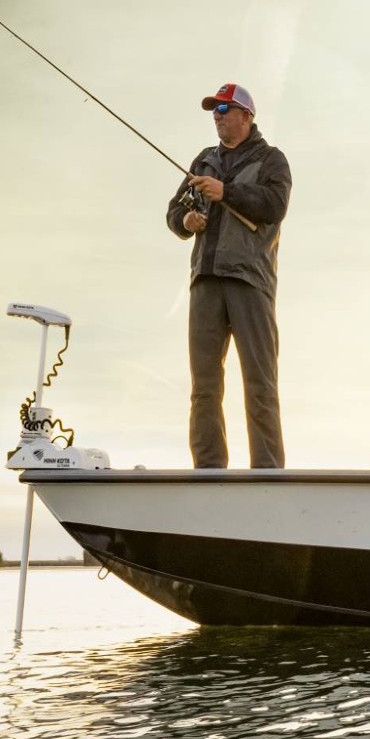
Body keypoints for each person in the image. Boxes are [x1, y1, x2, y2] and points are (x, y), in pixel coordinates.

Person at [165, 83, 293, 468]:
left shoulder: (271, 159)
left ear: (246, 116)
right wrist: (186, 220)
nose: (217, 117)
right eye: (214, 110)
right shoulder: (203, 161)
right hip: (205, 281)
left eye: (224, 109)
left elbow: (275, 205)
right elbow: (174, 212)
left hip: (250, 281)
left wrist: (227, 192)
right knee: (203, 388)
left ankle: (268, 473)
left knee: (260, 384)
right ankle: (208, 472)